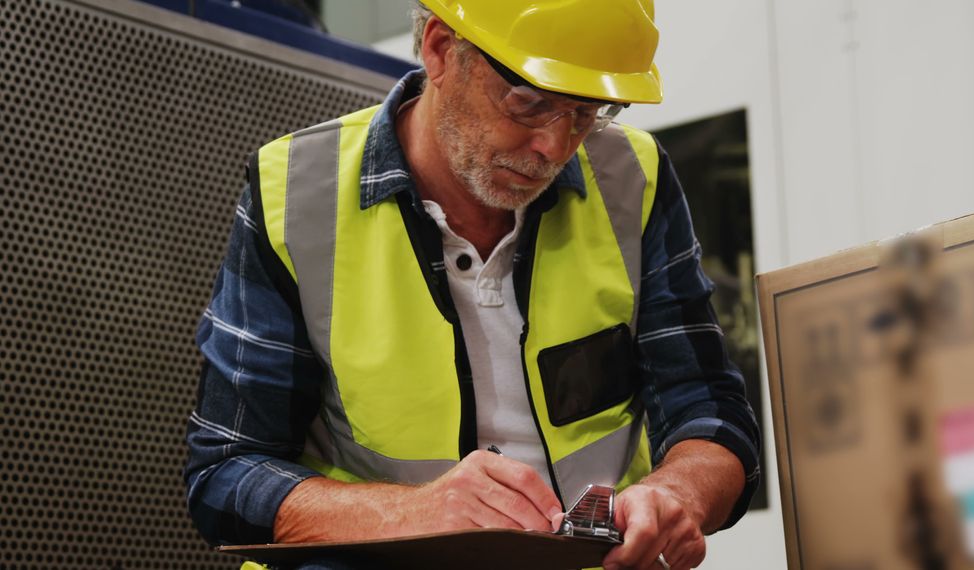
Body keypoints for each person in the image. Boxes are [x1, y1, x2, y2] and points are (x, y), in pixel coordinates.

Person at [185, 1, 760, 568]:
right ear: (439, 49)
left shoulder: (633, 181)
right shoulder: (298, 197)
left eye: (587, 114)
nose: (554, 149)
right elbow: (227, 471)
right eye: (529, 103)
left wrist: (676, 495)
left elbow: (710, 413)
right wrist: (408, 515)